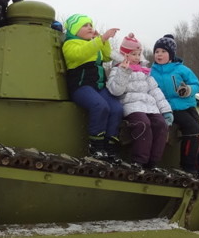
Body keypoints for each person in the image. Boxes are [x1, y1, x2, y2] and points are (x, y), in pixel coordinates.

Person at [106, 33, 172, 170]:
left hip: (150, 106)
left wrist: (165, 110)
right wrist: (124, 72)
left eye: (138, 54)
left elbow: (155, 91)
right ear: (125, 55)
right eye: (133, 54)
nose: (137, 58)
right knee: (143, 124)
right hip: (132, 106)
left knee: (161, 125)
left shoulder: (144, 72)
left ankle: (153, 163)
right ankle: (139, 161)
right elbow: (115, 91)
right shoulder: (118, 69)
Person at [150, 35, 199, 179]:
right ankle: (188, 166)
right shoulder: (151, 72)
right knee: (192, 130)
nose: (159, 55)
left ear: (171, 55)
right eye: (157, 51)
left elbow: (196, 84)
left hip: (188, 106)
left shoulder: (181, 69)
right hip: (169, 108)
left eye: (163, 52)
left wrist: (188, 89)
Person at [62, 14, 122, 160]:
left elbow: (107, 56)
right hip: (81, 87)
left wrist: (104, 39)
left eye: (90, 24)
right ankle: (96, 147)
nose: (90, 27)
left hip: (98, 87)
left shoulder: (93, 43)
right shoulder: (70, 44)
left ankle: (109, 148)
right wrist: (100, 40)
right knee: (100, 106)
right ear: (74, 30)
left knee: (117, 109)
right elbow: (80, 54)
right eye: (85, 25)